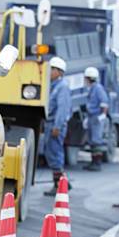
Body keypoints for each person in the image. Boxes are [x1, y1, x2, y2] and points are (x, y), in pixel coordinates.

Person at [44, 56, 72, 196]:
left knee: (55, 153)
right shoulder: (53, 86)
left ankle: (59, 185)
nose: (50, 72)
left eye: (52, 69)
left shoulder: (62, 87)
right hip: (51, 124)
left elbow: (62, 109)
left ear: (60, 72)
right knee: (51, 153)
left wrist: (57, 126)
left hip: (55, 125)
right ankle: (63, 182)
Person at [83, 67, 109, 171]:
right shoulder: (92, 88)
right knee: (91, 140)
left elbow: (104, 102)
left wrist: (103, 115)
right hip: (91, 117)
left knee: (96, 140)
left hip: (96, 117)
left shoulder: (98, 88)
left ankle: (97, 163)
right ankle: (93, 162)